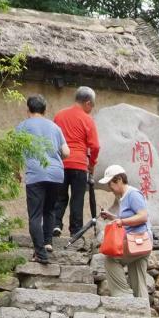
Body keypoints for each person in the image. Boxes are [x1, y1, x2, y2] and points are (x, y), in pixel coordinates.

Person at [12, 94, 67, 262]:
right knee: (49, 210)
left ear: (28, 109)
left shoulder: (22, 126)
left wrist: (16, 172)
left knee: (35, 215)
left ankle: (40, 254)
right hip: (56, 174)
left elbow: (15, 152)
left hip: (36, 174)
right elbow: (66, 152)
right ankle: (48, 242)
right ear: (45, 110)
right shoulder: (55, 127)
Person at [96, 164, 152, 300]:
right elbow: (127, 219)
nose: (109, 188)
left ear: (119, 180)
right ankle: (142, 308)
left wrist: (122, 221)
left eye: (110, 184)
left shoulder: (132, 194)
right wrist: (112, 217)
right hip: (140, 243)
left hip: (137, 241)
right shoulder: (125, 196)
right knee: (138, 279)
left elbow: (143, 216)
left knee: (111, 259)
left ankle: (123, 296)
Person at [55, 86, 100, 238]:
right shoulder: (87, 119)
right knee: (77, 198)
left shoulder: (59, 115)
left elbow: (54, 139)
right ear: (88, 103)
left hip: (61, 163)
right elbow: (95, 146)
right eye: (92, 106)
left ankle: (55, 225)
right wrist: (91, 164)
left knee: (59, 196)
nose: (91, 110)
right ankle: (75, 231)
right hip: (79, 165)